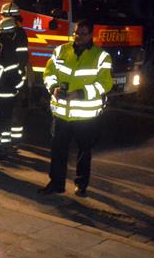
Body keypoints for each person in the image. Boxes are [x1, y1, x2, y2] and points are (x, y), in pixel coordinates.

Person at [39, 19, 113, 197]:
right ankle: (56, 184)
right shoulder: (61, 51)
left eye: (83, 34)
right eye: (77, 33)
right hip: (61, 113)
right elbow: (48, 73)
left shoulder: (101, 56)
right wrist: (53, 88)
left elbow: (105, 84)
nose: (79, 37)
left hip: (85, 116)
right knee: (58, 151)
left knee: (84, 152)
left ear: (91, 35)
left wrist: (80, 94)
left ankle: (81, 185)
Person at [0, 17, 27, 158]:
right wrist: (20, 86)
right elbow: (13, 73)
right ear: (11, 32)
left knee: (4, 121)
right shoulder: (9, 48)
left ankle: (4, 146)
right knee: (1, 121)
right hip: (7, 92)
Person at [0, 2, 30, 149]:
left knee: (15, 109)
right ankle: (10, 139)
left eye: (4, 16)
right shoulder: (16, 31)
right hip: (13, 74)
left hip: (15, 75)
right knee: (10, 109)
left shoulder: (16, 33)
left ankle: (14, 140)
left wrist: (17, 77)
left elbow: (21, 58)